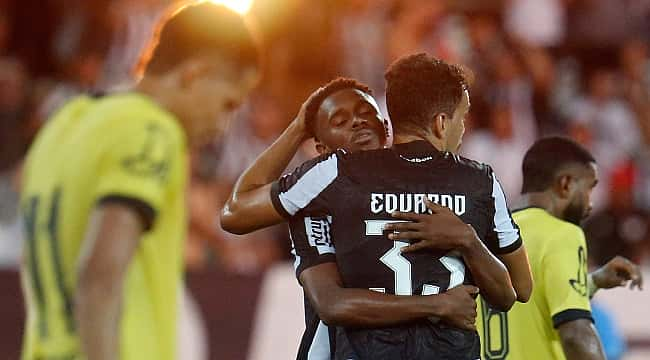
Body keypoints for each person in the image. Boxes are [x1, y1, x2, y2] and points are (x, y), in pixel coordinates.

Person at [226, 54, 523, 359]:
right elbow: (331, 303)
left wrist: (468, 242)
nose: (356, 121)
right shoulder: (313, 201)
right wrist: (299, 126)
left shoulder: (432, 184)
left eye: (365, 113)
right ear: (322, 149)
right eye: (340, 121)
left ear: (386, 127)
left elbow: (514, 290)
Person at [19, 3, 259, 360]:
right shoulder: (153, 132)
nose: (222, 126)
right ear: (195, 73)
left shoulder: (64, 125)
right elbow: (99, 278)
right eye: (227, 104)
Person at [476, 137, 643, 360]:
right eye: (589, 189)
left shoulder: (483, 237)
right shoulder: (561, 234)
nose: (590, 204)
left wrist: (592, 283)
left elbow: (528, 307)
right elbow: (576, 335)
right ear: (565, 184)